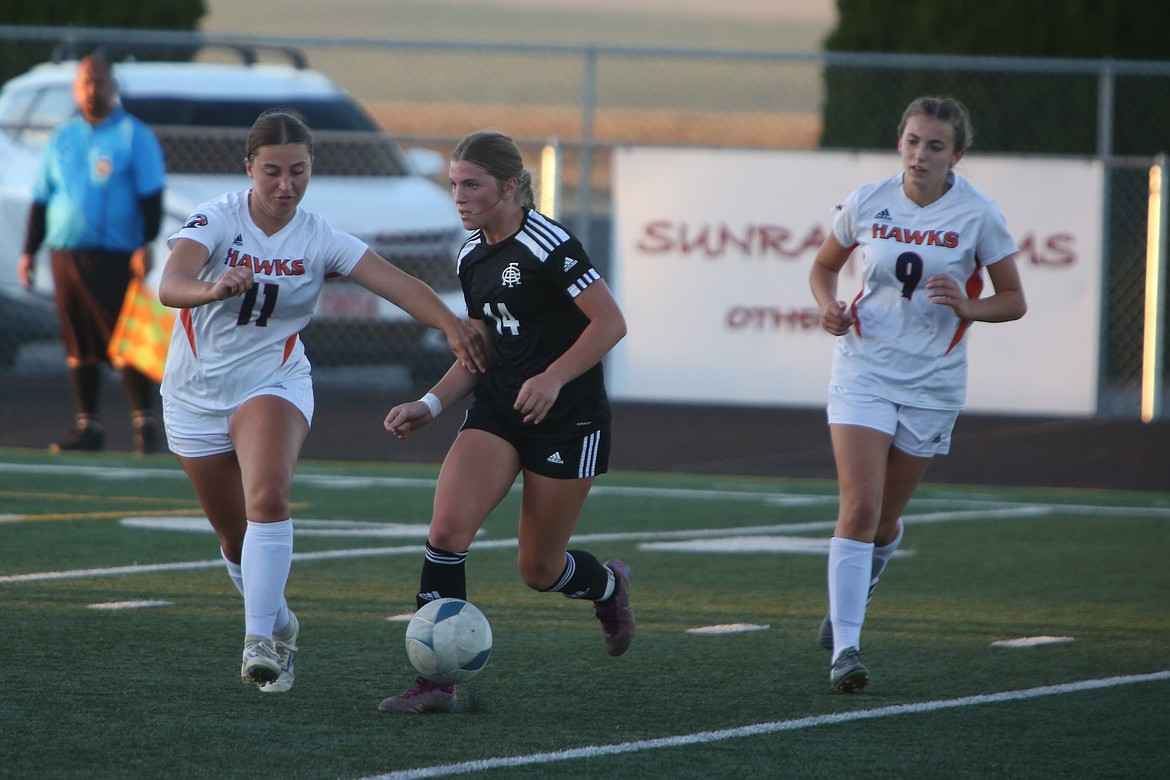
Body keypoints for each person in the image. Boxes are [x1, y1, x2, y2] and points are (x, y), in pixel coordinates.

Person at [156, 109, 485, 693]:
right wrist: (212, 287)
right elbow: (170, 285)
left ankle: (261, 642)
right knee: (235, 540)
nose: (286, 185)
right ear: (249, 168)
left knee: (268, 494)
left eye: (299, 172)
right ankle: (279, 620)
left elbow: (399, 283)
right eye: (274, 172)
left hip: (272, 380)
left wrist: (452, 326)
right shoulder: (215, 218)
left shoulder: (318, 236)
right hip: (194, 394)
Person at [377, 130, 634, 714]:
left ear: (511, 187)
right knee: (445, 535)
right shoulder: (472, 253)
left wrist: (553, 378)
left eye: (472, 184)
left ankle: (609, 587)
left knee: (539, 569)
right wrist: (431, 404)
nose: (459, 196)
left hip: (568, 420)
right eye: (453, 185)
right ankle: (437, 683)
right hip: (498, 411)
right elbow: (480, 350)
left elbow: (610, 323)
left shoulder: (550, 245)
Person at [808, 96, 1027, 693]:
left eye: (935, 146)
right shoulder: (869, 200)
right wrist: (827, 307)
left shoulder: (979, 214)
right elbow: (824, 267)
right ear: (899, 143)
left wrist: (969, 305)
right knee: (857, 509)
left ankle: (857, 588)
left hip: (932, 383)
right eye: (912, 141)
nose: (920, 155)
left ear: (957, 155)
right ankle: (846, 648)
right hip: (862, 371)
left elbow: (1014, 299)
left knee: (882, 523)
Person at [18, 53, 166, 455]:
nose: (91, 89)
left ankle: (146, 426)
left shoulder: (134, 136)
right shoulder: (63, 137)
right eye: (84, 82)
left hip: (116, 257)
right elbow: (43, 199)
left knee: (124, 340)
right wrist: (29, 251)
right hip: (66, 255)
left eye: (98, 81)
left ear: (112, 86)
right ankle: (89, 427)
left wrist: (145, 243)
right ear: (75, 88)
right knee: (78, 343)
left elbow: (151, 198)